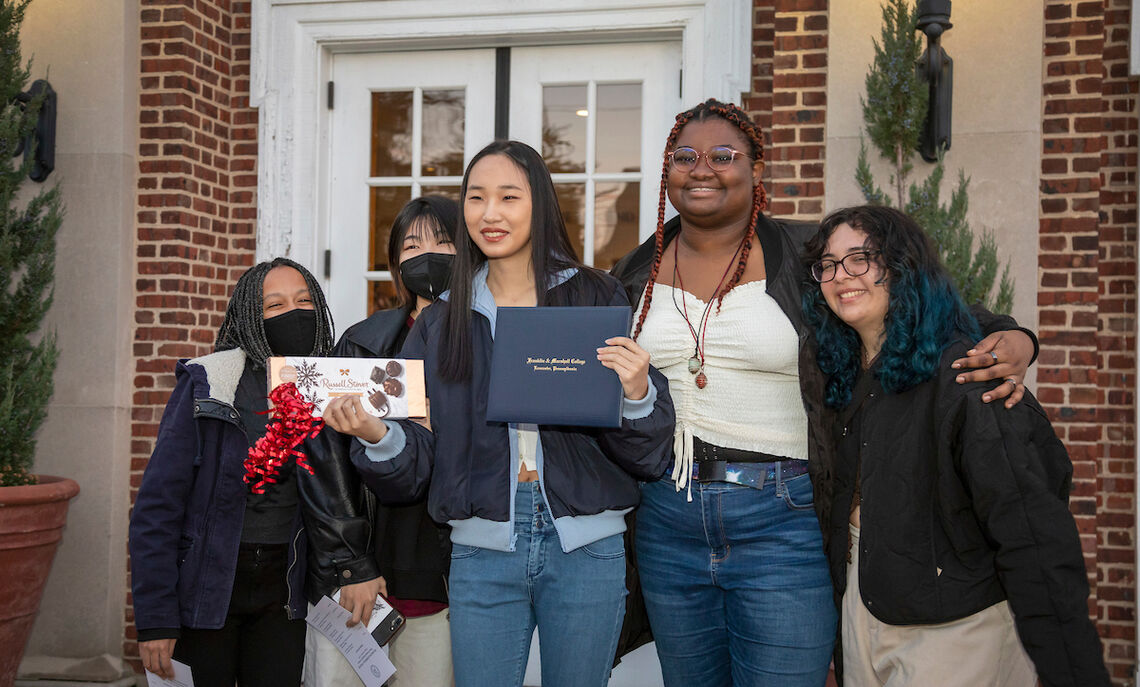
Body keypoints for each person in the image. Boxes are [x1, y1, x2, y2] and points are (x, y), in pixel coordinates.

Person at [609, 99, 1038, 686]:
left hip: (781, 518)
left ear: (757, 170)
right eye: (685, 156)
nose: (701, 169)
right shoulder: (632, 272)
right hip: (668, 517)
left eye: (722, 155)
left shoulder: (805, 256)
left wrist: (1014, 337)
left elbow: (922, 304)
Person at [322, 139, 676, 687]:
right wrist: (375, 433)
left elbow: (648, 452)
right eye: (477, 198)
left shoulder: (595, 295)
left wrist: (635, 391)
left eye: (509, 197)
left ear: (539, 203)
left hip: (585, 543)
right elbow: (414, 466)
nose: (490, 213)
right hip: (482, 550)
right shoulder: (440, 322)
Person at [801, 205, 1109, 686]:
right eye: (829, 263)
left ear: (903, 266)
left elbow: (1029, 523)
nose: (842, 275)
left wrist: (1071, 668)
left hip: (955, 619)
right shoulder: (840, 368)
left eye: (862, 257)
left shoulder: (967, 374)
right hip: (864, 600)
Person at [129, 258, 383, 687]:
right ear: (250, 315)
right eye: (275, 305)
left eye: (304, 301)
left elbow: (351, 492)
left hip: (286, 595)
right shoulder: (209, 385)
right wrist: (156, 619)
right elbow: (157, 507)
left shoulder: (334, 387)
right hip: (208, 592)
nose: (294, 312)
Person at [305, 196, 459, 687]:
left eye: (443, 241)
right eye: (412, 245)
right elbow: (325, 467)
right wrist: (351, 565)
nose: (427, 254)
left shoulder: (488, 341)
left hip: (445, 583)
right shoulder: (360, 345)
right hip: (364, 581)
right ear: (395, 264)